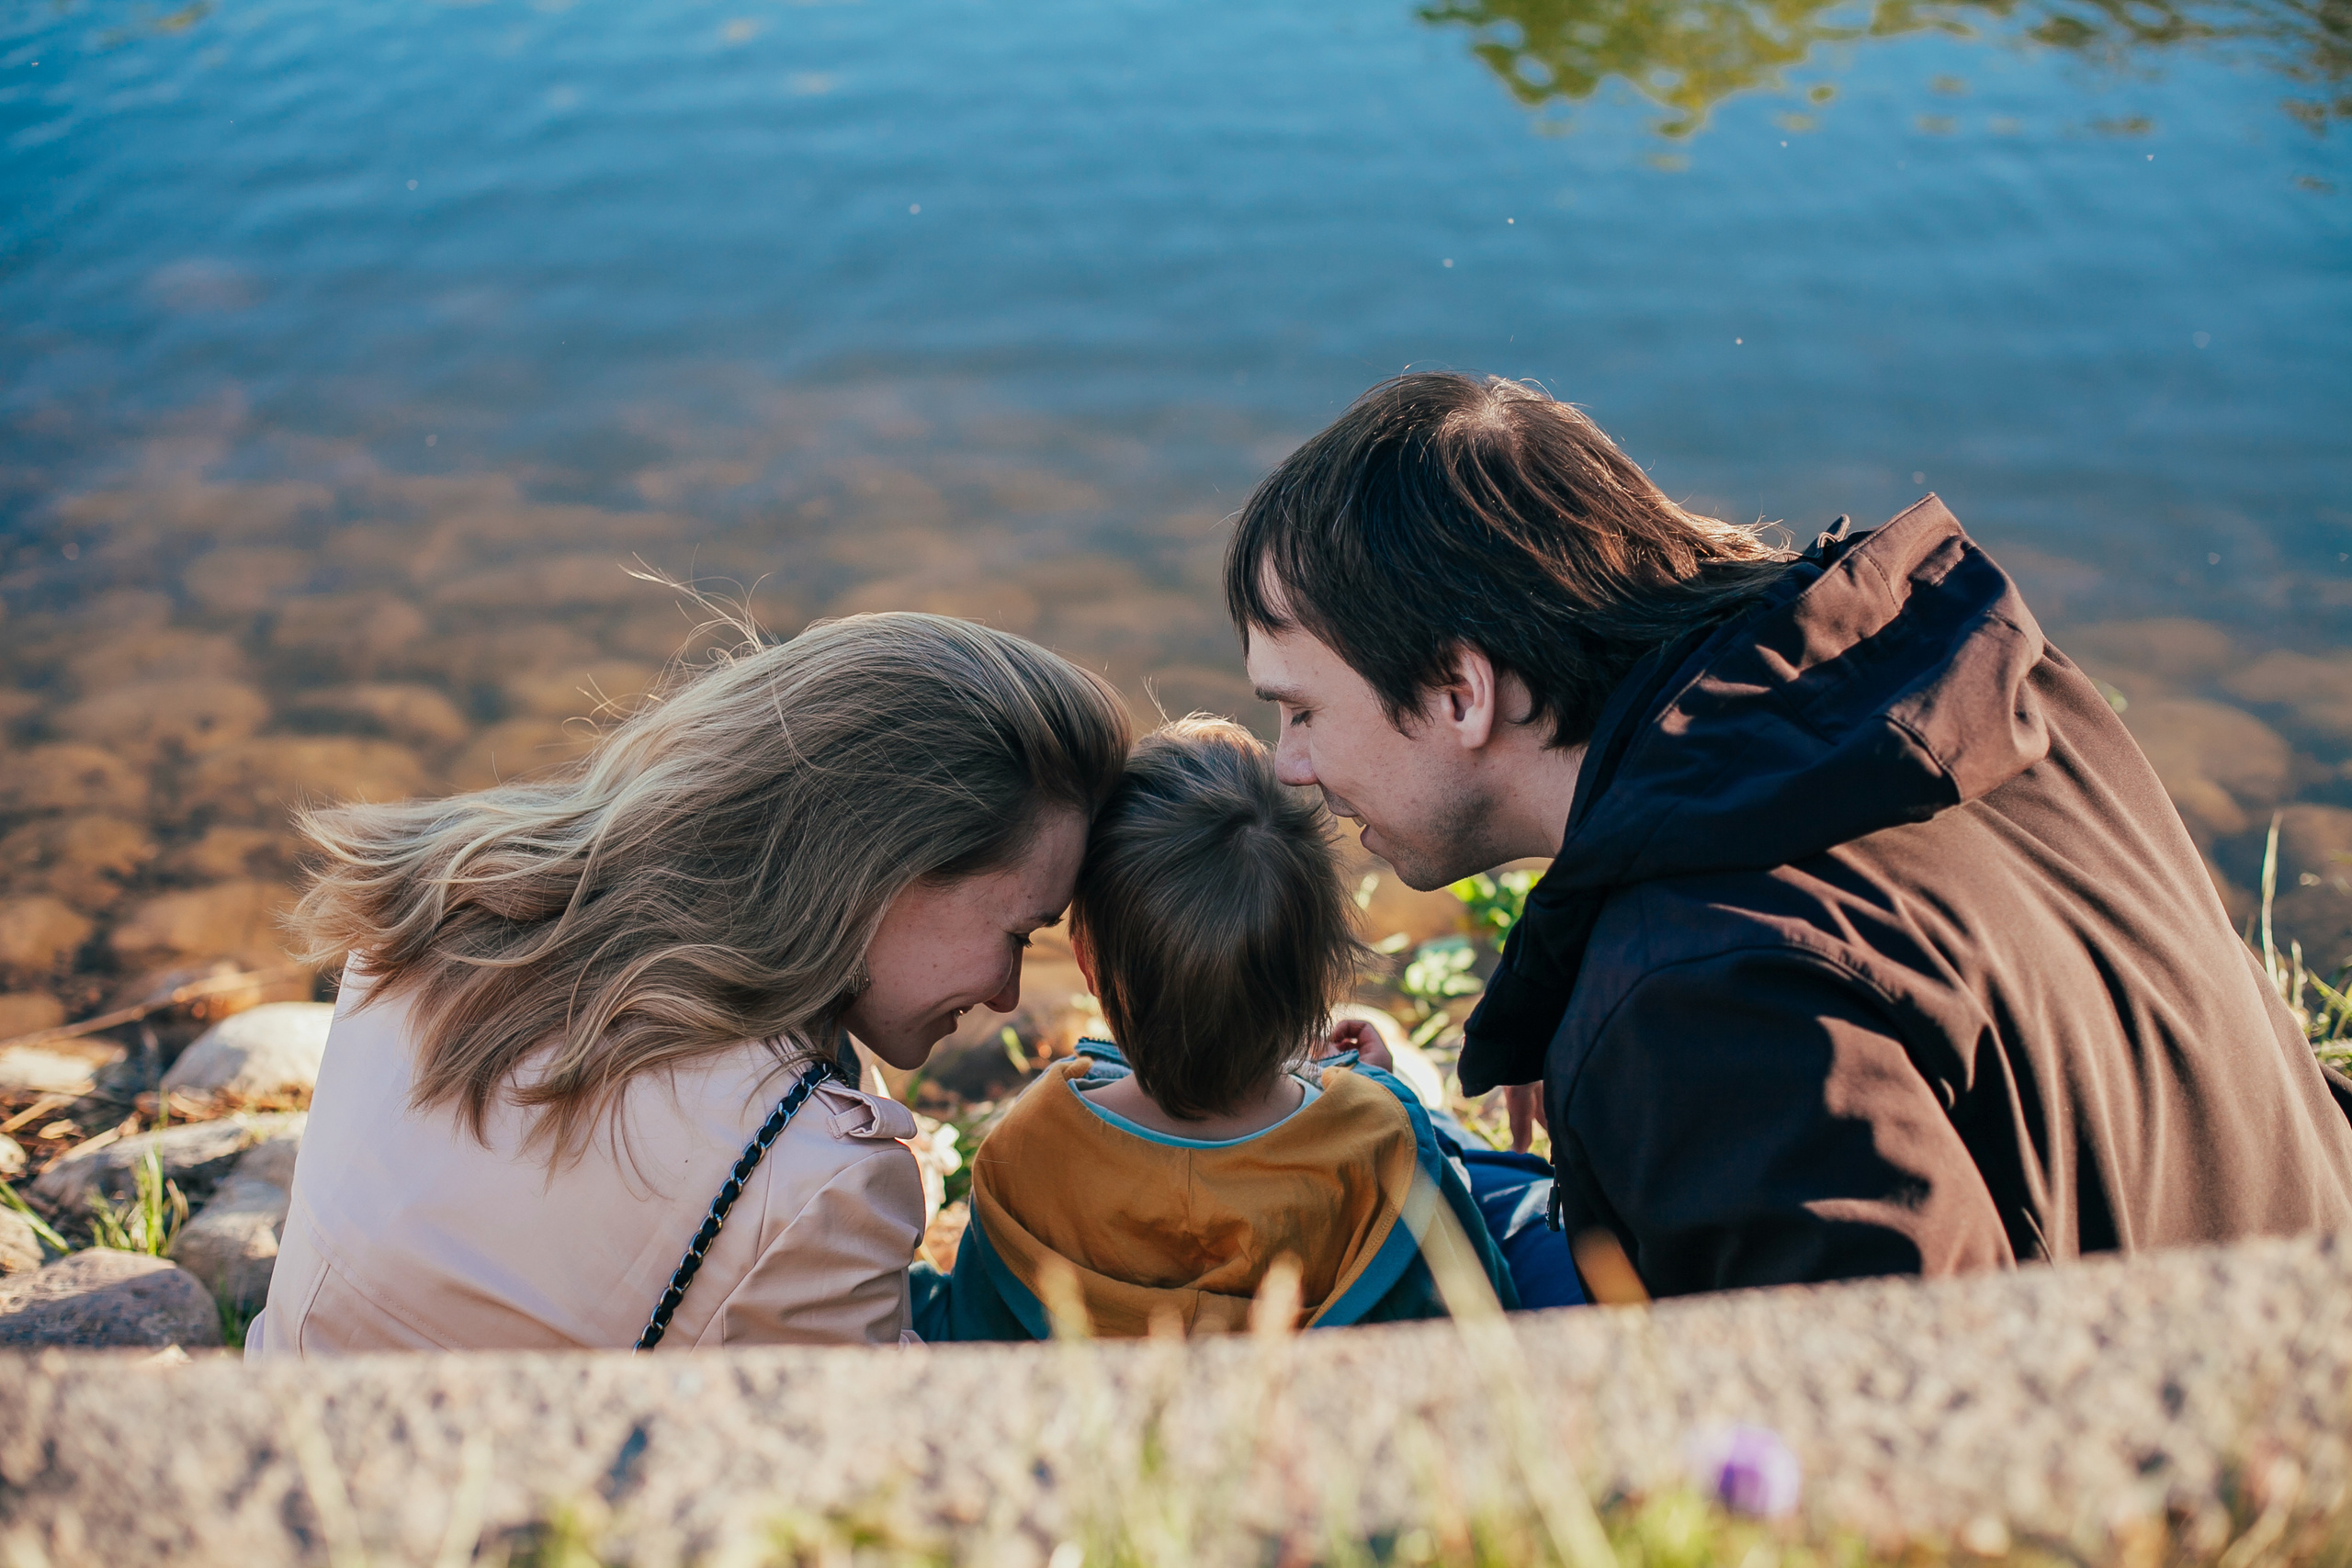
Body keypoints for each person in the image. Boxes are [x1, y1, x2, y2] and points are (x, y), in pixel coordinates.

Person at [1226, 370, 2352, 1300]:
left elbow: (1887, 1452)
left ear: (1463, 693)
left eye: (1302, 711)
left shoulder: (1699, 1002)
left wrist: (1622, 1024)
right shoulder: (1953, 690)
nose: (1289, 765)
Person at [248, 612, 1129, 1355]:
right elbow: (877, 1478)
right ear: (881, 869)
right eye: (1018, 932)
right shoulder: (810, 1179)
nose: (1010, 993)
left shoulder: (440, 894)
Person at [915, 716, 1534, 1341]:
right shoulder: (1380, 1139)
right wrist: (1374, 1097)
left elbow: (976, 1332)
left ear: (1089, 966)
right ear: (1322, 975)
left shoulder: (1031, 1147)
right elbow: (1480, 1307)